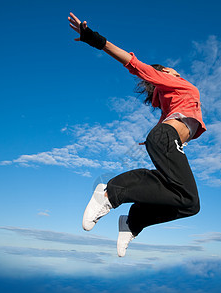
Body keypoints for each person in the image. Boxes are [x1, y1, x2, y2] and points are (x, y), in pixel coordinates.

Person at [68, 12, 206, 257]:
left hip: (166, 139)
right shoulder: (174, 83)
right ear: (166, 74)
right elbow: (135, 64)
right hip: (165, 138)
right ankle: (109, 193)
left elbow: (167, 120)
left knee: (190, 203)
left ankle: (133, 222)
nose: (177, 71)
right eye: (172, 70)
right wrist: (97, 40)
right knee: (182, 193)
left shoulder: (168, 105)